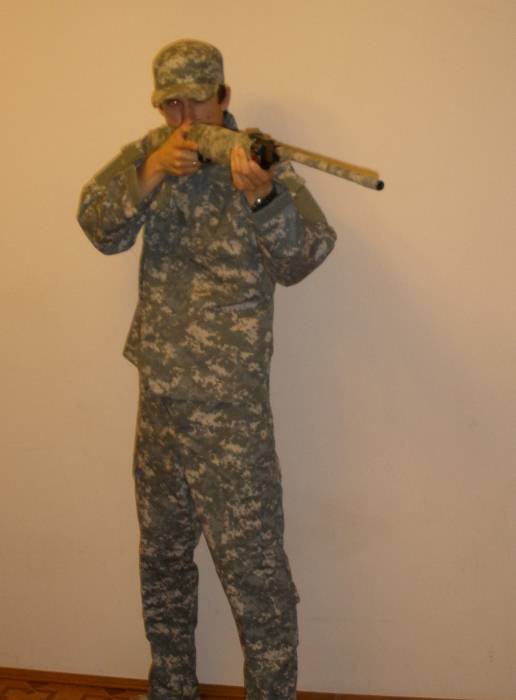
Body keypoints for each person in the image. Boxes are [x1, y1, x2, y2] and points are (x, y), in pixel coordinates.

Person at [77, 38, 336, 700]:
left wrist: (264, 199)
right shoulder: (150, 154)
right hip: (161, 403)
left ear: (224, 97)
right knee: (163, 560)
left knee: (255, 573)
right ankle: (171, 687)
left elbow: (306, 256)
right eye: (171, 104)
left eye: (197, 101)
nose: (184, 117)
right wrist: (149, 173)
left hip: (230, 412)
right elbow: (99, 227)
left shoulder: (257, 160)